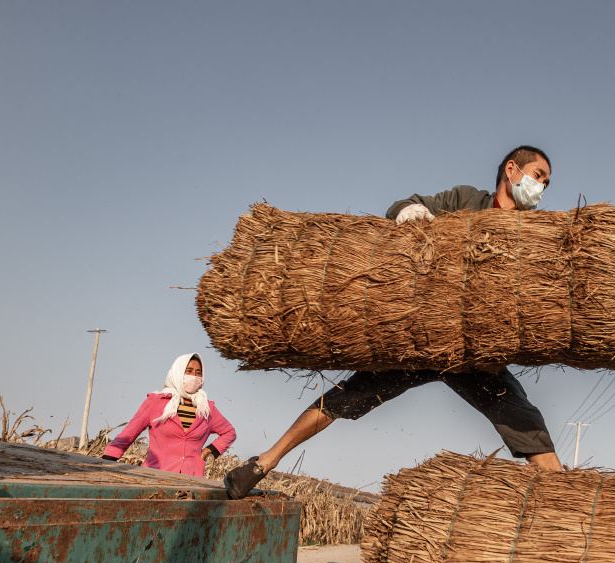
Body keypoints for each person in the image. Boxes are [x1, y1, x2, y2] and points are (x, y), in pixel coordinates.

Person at [223, 145, 564, 499]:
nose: (541, 187)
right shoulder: (466, 201)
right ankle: (264, 462)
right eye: (538, 176)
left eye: (546, 183)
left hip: (470, 356)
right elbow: (403, 205)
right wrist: (413, 214)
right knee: (345, 397)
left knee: (525, 419)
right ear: (512, 170)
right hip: (414, 339)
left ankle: (563, 504)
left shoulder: (532, 232)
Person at [103, 352, 236, 478]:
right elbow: (128, 435)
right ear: (178, 373)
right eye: (188, 371)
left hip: (192, 479)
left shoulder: (207, 409)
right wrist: (105, 465)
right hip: (155, 476)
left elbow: (229, 432)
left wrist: (206, 452)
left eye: (198, 373)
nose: (194, 376)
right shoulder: (156, 402)